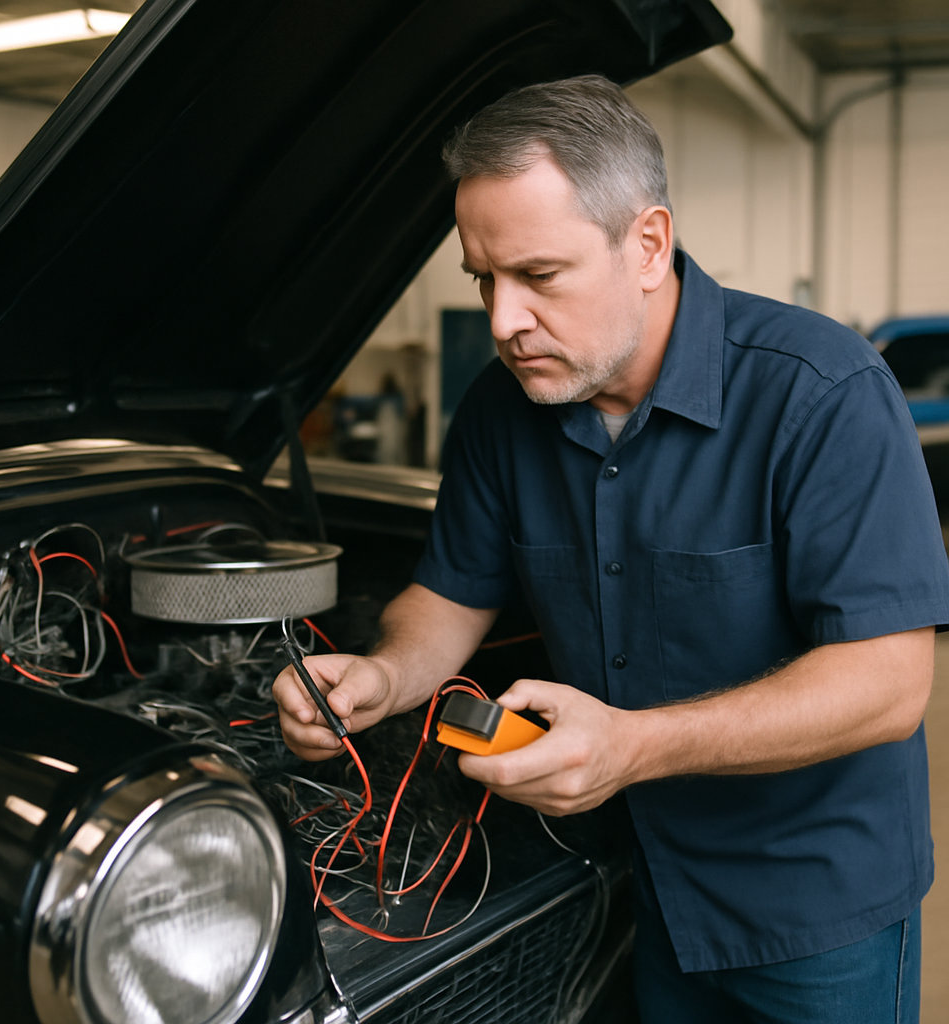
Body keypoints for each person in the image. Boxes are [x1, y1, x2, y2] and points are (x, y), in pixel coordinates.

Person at [273, 74, 949, 1023]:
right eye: (483, 279)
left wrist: (635, 745)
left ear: (647, 245)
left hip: (812, 905)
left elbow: (887, 682)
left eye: (539, 277)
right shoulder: (501, 413)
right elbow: (453, 592)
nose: (503, 321)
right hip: (633, 883)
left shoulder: (821, 392)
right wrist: (385, 678)